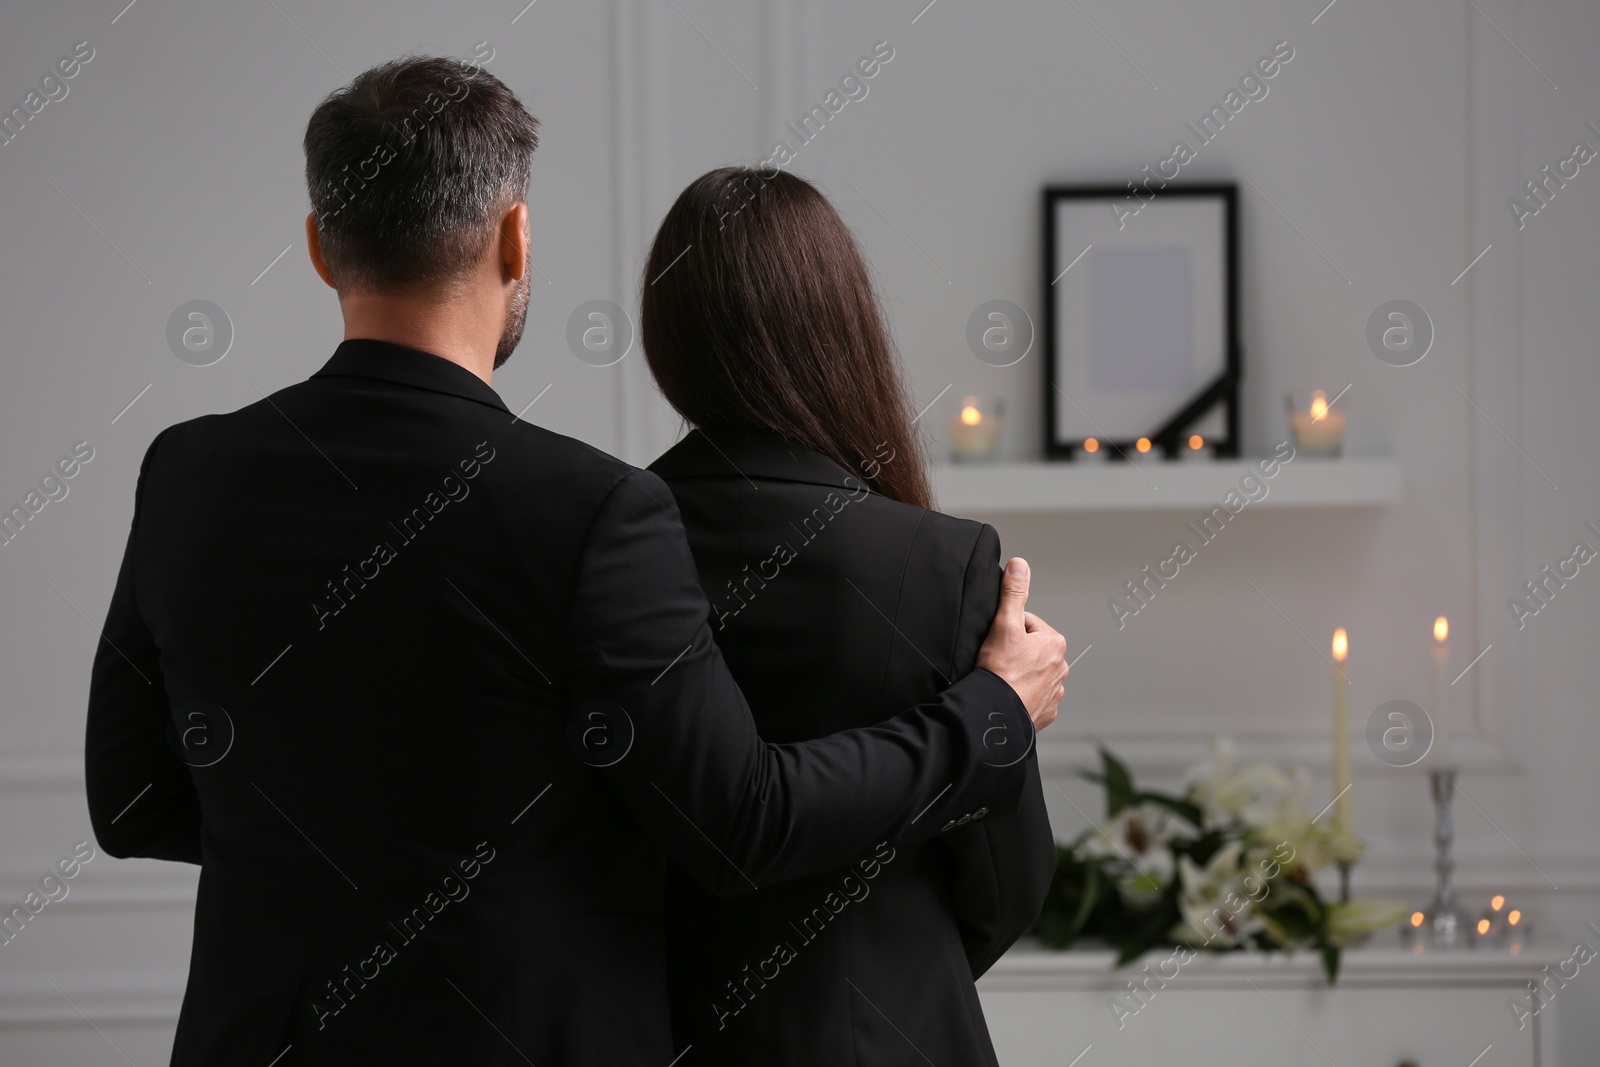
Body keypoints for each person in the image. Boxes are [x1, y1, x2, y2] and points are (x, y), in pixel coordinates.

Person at [82, 57, 1068, 1066]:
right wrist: (989, 714)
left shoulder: (188, 471)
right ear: (514, 235)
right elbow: (739, 819)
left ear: (319, 250)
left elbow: (130, 800)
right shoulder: (588, 509)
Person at [642, 167, 1058, 1066]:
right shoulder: (943, 562)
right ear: (842, 322)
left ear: (665, 333)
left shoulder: (602, 540)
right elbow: (1008, 885)